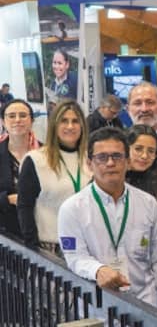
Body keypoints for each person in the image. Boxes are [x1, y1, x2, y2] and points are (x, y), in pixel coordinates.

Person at [57, 127, 157, 309]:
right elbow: (74, 257)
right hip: (98, 308)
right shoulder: (72, 208)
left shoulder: (148, 204)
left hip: (146, 307)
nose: (110, 163)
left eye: (117, 156)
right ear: (89, 163)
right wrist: (98, 270)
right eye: (102, 157)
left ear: (127, 161)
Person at [18, 100, 90, 255]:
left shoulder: (91, 160)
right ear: (54, 126)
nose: (70, 126)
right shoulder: (36, 160)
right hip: (50, 248)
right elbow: (25, 206)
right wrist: (32, 248)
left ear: (82, 126)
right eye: (64, 121)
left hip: (87, 247)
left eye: (75, 121)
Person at [125, 124, 157, 245]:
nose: (144, 156)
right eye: (138, 149)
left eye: (151, 151)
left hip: (151, 255)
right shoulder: (111, 180)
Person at [0, 100, 39, 238]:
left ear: (31, 120)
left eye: (23, 115)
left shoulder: (47, 153)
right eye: (11, 116)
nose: (17, 120)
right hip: (5, 235)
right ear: (3, 122)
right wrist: (7, 199)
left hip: (41, 232)